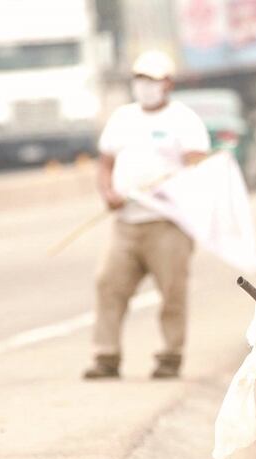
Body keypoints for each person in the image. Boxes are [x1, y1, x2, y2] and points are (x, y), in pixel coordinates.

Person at [84, 51, 211, 380]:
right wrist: (108, 192)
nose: (145, 86)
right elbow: (106, 164)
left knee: (172, 292)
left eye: (152, 80)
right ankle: (106, 356)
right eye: (140, 79)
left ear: (167, 83)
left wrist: (171, 187)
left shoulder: (183, 120)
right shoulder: (123, 118)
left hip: (167, 225)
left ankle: (170, 355)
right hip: (126, 223)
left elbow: (199, 165)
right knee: (108, 284)